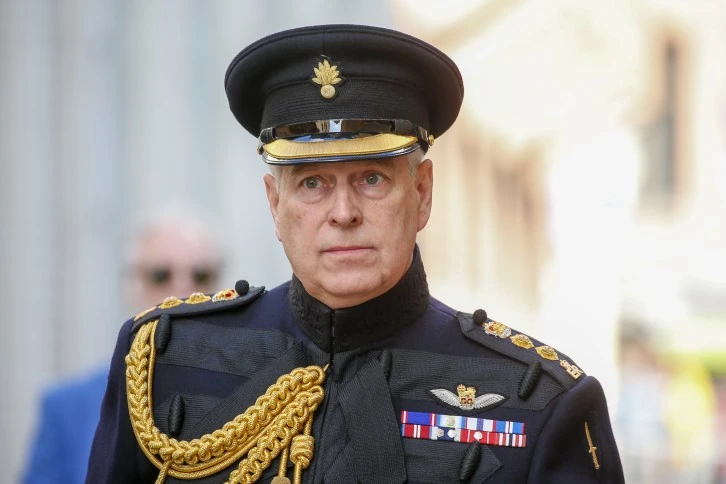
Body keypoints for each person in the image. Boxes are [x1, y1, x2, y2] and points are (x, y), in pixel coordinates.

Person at [87, 24, 624, 483]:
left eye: (372, 179)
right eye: (312, 183)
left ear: (422, 194)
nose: (343, 213)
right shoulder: (164, 362)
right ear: (275, 204)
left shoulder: (537, 401)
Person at [22, 205, 223, 484]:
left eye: (200, 275)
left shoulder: (252, 398)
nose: (183, 291)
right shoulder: (67, 409)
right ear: (130, 285)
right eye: (160, 275)